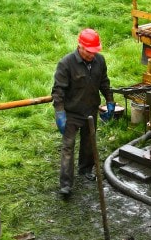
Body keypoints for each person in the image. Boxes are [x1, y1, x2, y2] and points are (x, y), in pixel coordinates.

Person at [51, 28, 116, 198]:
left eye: (95, 51)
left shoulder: (99, 61)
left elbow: (104, 83)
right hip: (71, 113)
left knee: (89, 143)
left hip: (90, 111)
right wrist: (60, 113)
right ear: (80, 47)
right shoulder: (66, 64)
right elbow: (58, 91)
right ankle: (66, 184)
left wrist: (110, 100)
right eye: (89, 52)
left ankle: (85, 169)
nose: (92, 55)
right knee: (68, 147)